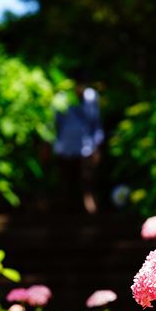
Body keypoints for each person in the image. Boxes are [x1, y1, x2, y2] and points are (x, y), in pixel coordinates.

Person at [53, 84, 104, 214]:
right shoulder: (62, 97)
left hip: (86, 146)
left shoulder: (91, 96)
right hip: (65, 146)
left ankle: (88, 207)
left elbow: (96, 122)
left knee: (87, 180)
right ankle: (66, 211)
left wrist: (97, 145)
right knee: (66, 182)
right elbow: (56, 123)